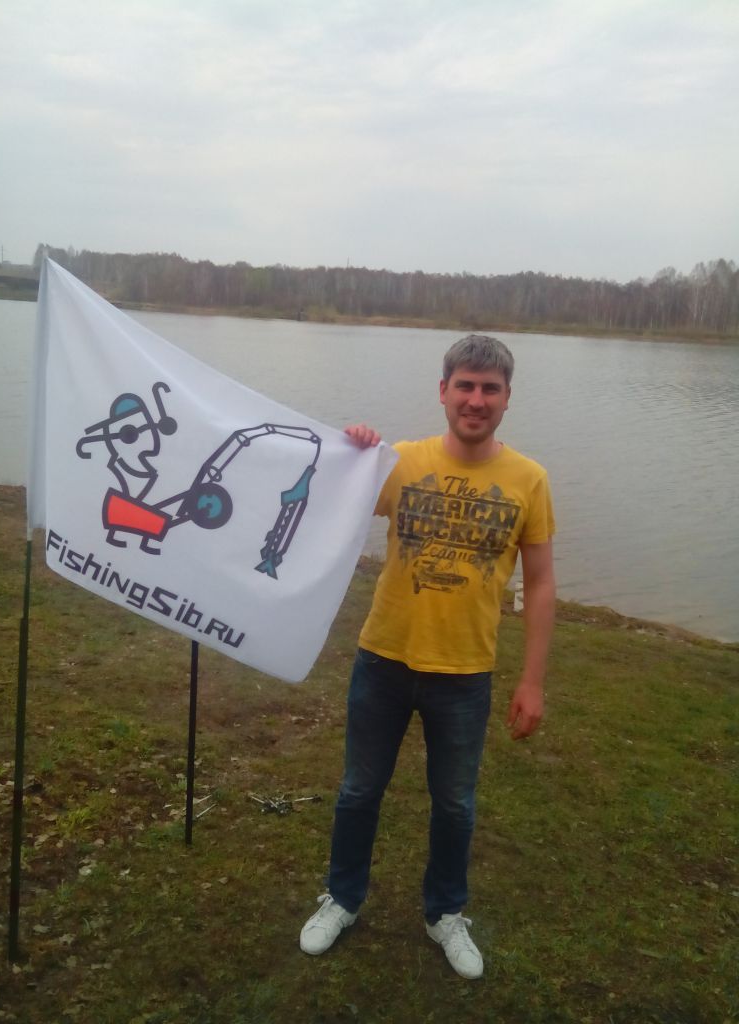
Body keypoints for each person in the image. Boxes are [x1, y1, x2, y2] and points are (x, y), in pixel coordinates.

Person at [299, 334, 556, 979]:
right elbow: (329, 495)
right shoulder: (401, 462)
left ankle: (445, 913)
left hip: (465, 673)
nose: (476, 400)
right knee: (359, 790)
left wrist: (532, 680)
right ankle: (343, 898)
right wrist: (353, 447)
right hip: (383, 660)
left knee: (456, 804)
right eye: (465, 385)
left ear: (507, 399)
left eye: (490, 389)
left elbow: (541, 582)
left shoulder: (530, 480)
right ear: (443, 391)